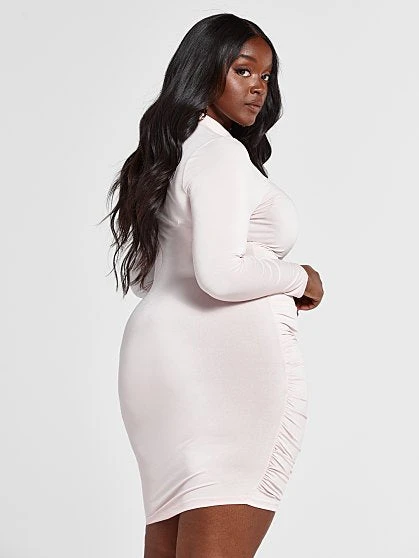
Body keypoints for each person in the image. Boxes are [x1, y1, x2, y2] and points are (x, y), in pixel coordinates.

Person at [104, 12, 323, 558]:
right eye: (242, 70)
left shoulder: (171, 152)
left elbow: (148, 276)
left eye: (266, 76)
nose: (258, 87)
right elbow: (220, 274)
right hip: (220, 375)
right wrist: (301, 278)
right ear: (205, 70)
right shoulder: (219, 152)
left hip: (157, 364)